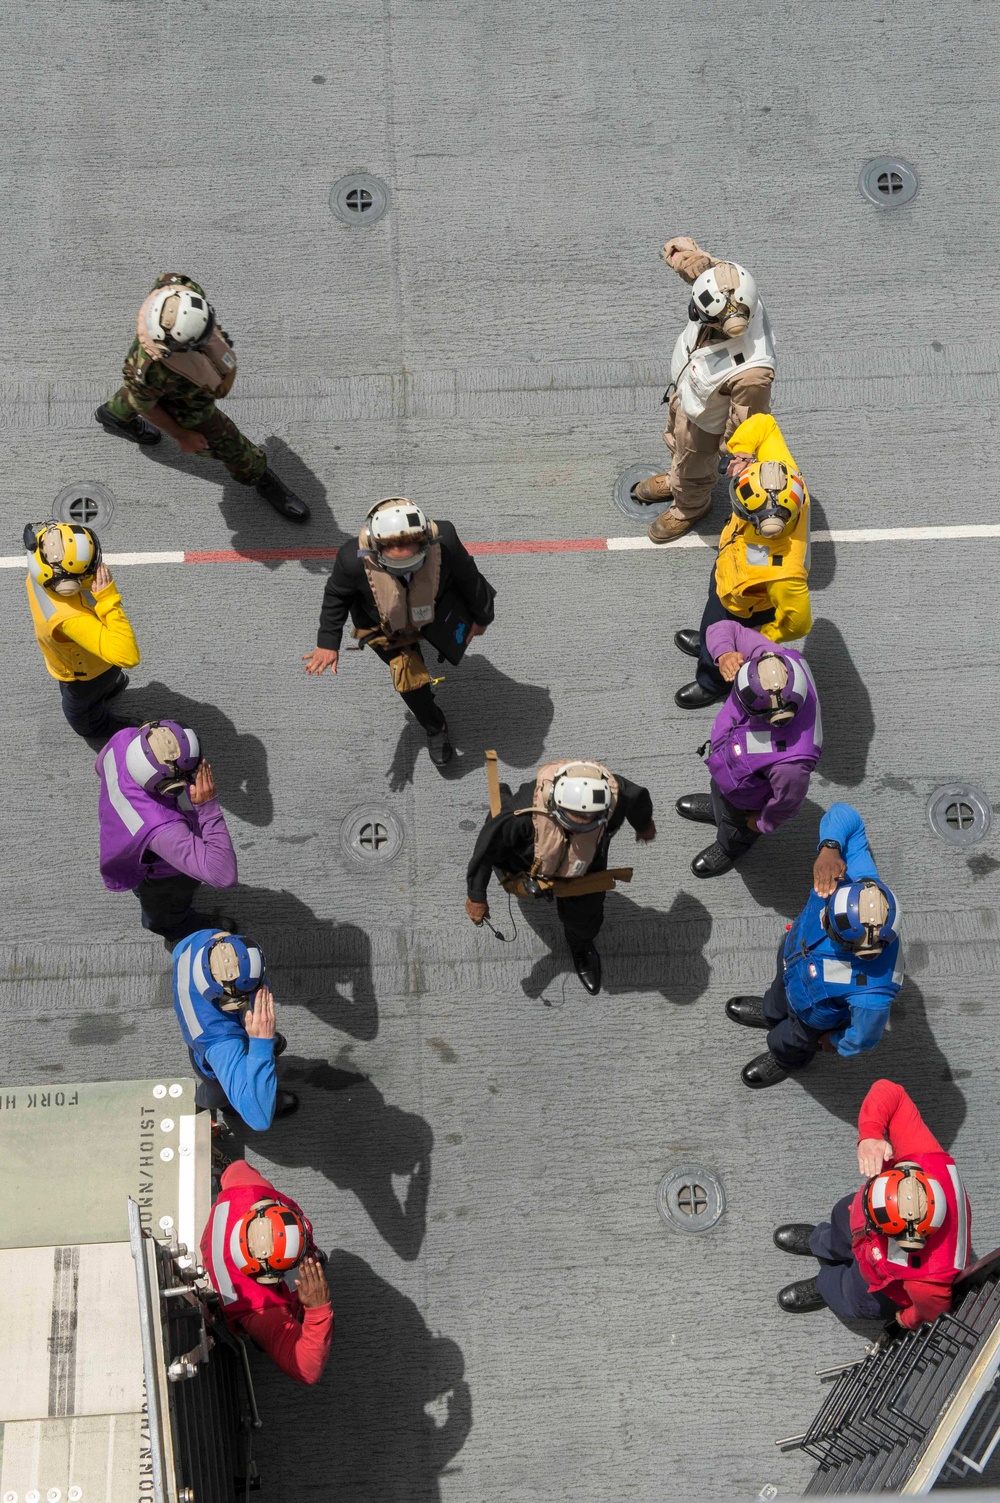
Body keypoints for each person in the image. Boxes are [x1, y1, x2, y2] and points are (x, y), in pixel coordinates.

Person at [95, 272, 309, 521]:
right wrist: (182, 435)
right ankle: (257, 475)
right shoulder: (150, 369)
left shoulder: (181, 290)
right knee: (230, 444)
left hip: (155, 387)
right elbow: (147, 406)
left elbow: (169, 280)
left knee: (139, 394)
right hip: (187, 404)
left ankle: (113, 414)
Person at [304, 498, 497, 767]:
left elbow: (469, 576)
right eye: (396, 568)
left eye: (412, 564)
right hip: (382, 626)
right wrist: (327, 642)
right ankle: (434, 725)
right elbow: (336, 595)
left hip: (433, 611)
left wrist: (483, 615)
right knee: (411, 682)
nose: (404, 572)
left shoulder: (446, 538)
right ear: (375, 548)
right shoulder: (351, 558)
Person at [726, 803, 903, 1088]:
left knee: (794, 1039)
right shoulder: (858, 880)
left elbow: (863, 1037)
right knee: (777, 992)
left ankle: (786, 1058)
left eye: (829, 926)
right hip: (792, 960)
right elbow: (847, 816)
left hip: (813, 1016)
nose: (823, 920)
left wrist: (833, 1042)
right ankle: (773, 1012)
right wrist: (830, 848)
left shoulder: (873, 993)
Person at [773, 1079, 970, 1323]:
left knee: (850, 1295)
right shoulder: (926, 1156)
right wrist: (870, 1135)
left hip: (878, 1281)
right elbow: (890, 1092)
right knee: (841, 1220)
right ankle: (821, 1241)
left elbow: (932, 1311)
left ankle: (826, 1286)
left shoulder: (929, 1279)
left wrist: (906, 1319)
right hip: (867, 1237)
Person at [466, 758, 656, 994]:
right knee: (498, 825)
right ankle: (502, 796)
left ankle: (581, 946)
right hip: (529, 856)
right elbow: (486, 849)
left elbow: (637, 798)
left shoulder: (616, 794)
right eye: (574, 822)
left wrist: (644, 824)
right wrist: (476, 896)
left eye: (590, 822)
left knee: (586, 917)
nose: (582, 827)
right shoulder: (524, 815)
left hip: (585, 867)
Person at [635, 237, 776, 545]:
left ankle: (690, 505)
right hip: (691, 394)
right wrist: (683, 255)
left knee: (695, 464)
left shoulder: (752, 374)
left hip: (705, 421)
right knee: (677, 441)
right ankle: (678, 477)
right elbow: (706, 269)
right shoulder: (734, 288)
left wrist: (726, 449)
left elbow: (749, 420)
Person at [674, 413, 811, 708]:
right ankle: (711, 643)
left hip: (745, 606)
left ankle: (712, 680)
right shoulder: (782, 475)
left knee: (724, 632)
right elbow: (764, 423)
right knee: (712, 616)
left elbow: (799, 622)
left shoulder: (785, 573)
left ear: (763, 523)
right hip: (730, 572)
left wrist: (760, 636)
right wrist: (743, 452)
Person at [675, 630, 822, 877]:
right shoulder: (777, 661)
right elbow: (728, 628)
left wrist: (761, 823)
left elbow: (788, 802)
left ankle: (730, 846)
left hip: (746, 798)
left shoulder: (792, 763)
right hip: (728, 766)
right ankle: (717, 807)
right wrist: (724, 653)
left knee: (737, 826)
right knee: (720, 795)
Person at [96, 719, 238, 939]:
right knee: (164, 911)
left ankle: (144, 892)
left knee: (143, 887)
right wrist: (208, 807)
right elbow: (223, 875)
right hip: (165, 874)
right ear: (170, 787)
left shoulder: (124, 739)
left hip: (125, 844)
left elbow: (99, 764)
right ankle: (179, 927)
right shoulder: (163, 828)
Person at [201, 1158, 331, 1382]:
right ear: (269, 1278)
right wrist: (317, 1311)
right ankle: (263, 1340)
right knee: (275, 1340)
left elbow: (235, 1168)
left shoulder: (244, 1190)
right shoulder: (261, 1311)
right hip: (260, 1314)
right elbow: (307, 1370)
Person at [24, 519, 139, 742]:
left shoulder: (41, 560)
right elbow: (128, 656)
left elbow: (127, 655)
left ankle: (104, 711)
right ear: (68, 585)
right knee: (83, 707)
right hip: (90, 671)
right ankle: (100, 714)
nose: (95, 569)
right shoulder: (71, 617)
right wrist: (107, 597)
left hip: (79, 669)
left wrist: (97, 591)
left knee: (81, 707)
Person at [172, 928, 298, 1124]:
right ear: (230, 1003)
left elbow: (180, 947)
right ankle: (225, 1104)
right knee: (218, 1091)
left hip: (202, 1036)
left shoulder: (205, 939)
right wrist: (261, 1043)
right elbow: (260, 1120)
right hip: (212, 1055)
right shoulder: (221, 1042)